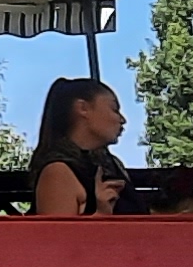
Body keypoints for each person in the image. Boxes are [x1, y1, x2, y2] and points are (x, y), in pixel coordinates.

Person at [29, 75, 132, 218]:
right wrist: (101, 215)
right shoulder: (58, 172)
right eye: (114, 109)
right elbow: (57, 232)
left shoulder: (112, 165)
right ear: (83, 108)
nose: (122, 120)